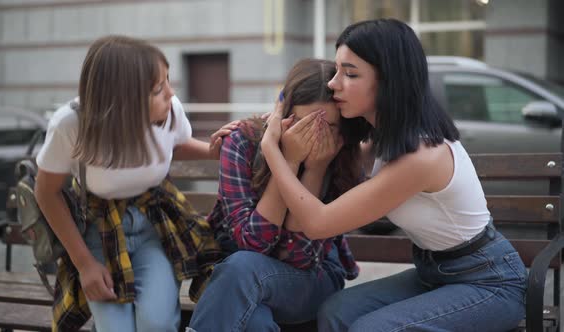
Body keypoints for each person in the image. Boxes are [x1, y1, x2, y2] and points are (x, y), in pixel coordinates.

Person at [260, 19, 527, 332]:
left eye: (350, 73)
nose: (334, 83)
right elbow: (319, 152)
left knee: (373, 329)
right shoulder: (383, 138)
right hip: (435, 273)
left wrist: (271, 149)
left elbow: (318, 224)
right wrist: (253, 128)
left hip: (489, 283)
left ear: (388, 80)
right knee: (336, 311)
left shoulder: (422, 155)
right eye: (336, 71)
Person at [34, 35, 235, 332]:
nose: (171, 92)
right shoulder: (71, 125)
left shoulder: (169, 111)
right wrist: (85, 265)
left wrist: (210, 150)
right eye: (158, 88)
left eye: (168, 79)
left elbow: (173, 144)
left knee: (157, 324)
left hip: (154, 227)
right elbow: (46, 192)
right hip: (99, 233)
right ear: (122, 99)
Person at [187, 58, 369, 332]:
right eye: (303, 123)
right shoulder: (242, 141)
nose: (314, 136)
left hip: (312, 277)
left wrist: (314, 172)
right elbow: (252, 245)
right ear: (282, 113)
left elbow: (299, 257)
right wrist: (286, 161)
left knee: (241, 271)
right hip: (236, 270)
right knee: (253, 321)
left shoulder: (341, 155)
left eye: (327, 125)